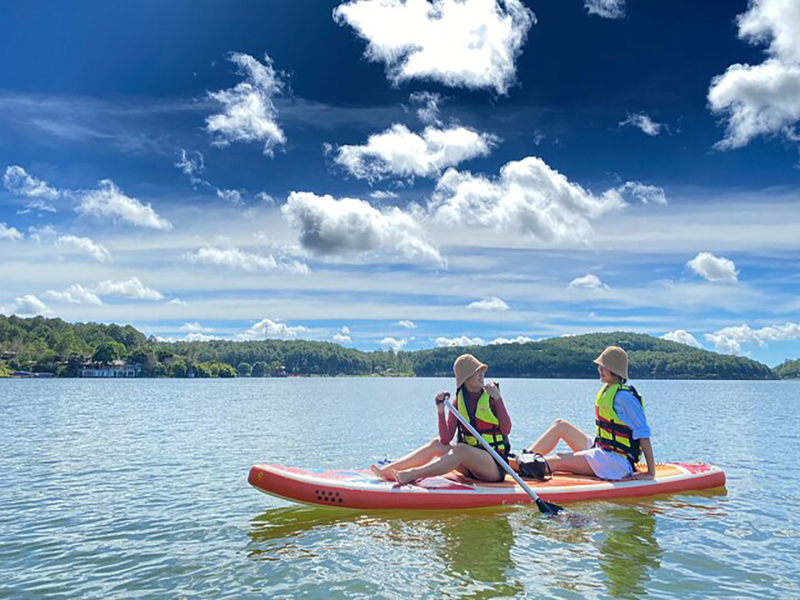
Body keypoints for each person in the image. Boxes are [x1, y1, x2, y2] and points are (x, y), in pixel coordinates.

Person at [370, 353, 512, 485]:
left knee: (461, 449)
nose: (482, 376)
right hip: (469, 466)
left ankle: (414, 474)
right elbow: (445, 440)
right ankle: (387, 472)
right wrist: (440, 411)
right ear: (465, 378)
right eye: (477, 372)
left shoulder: (492, 397)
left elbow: (506, 430)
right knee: (436, 444)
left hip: (494, 466)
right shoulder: (458, 401)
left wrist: (498, 398)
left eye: (482, 372)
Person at [524, 346, 655, 481]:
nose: (600, 370)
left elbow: (643, 433)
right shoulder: (608, 391)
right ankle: (525, 458)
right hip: (602, 450)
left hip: (616, 463)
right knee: (560, 425)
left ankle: (524, 466)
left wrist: (651, 472)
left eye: (603, 367)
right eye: (600, 367)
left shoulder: (625, 398)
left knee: (558, 460)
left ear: (614, 370)